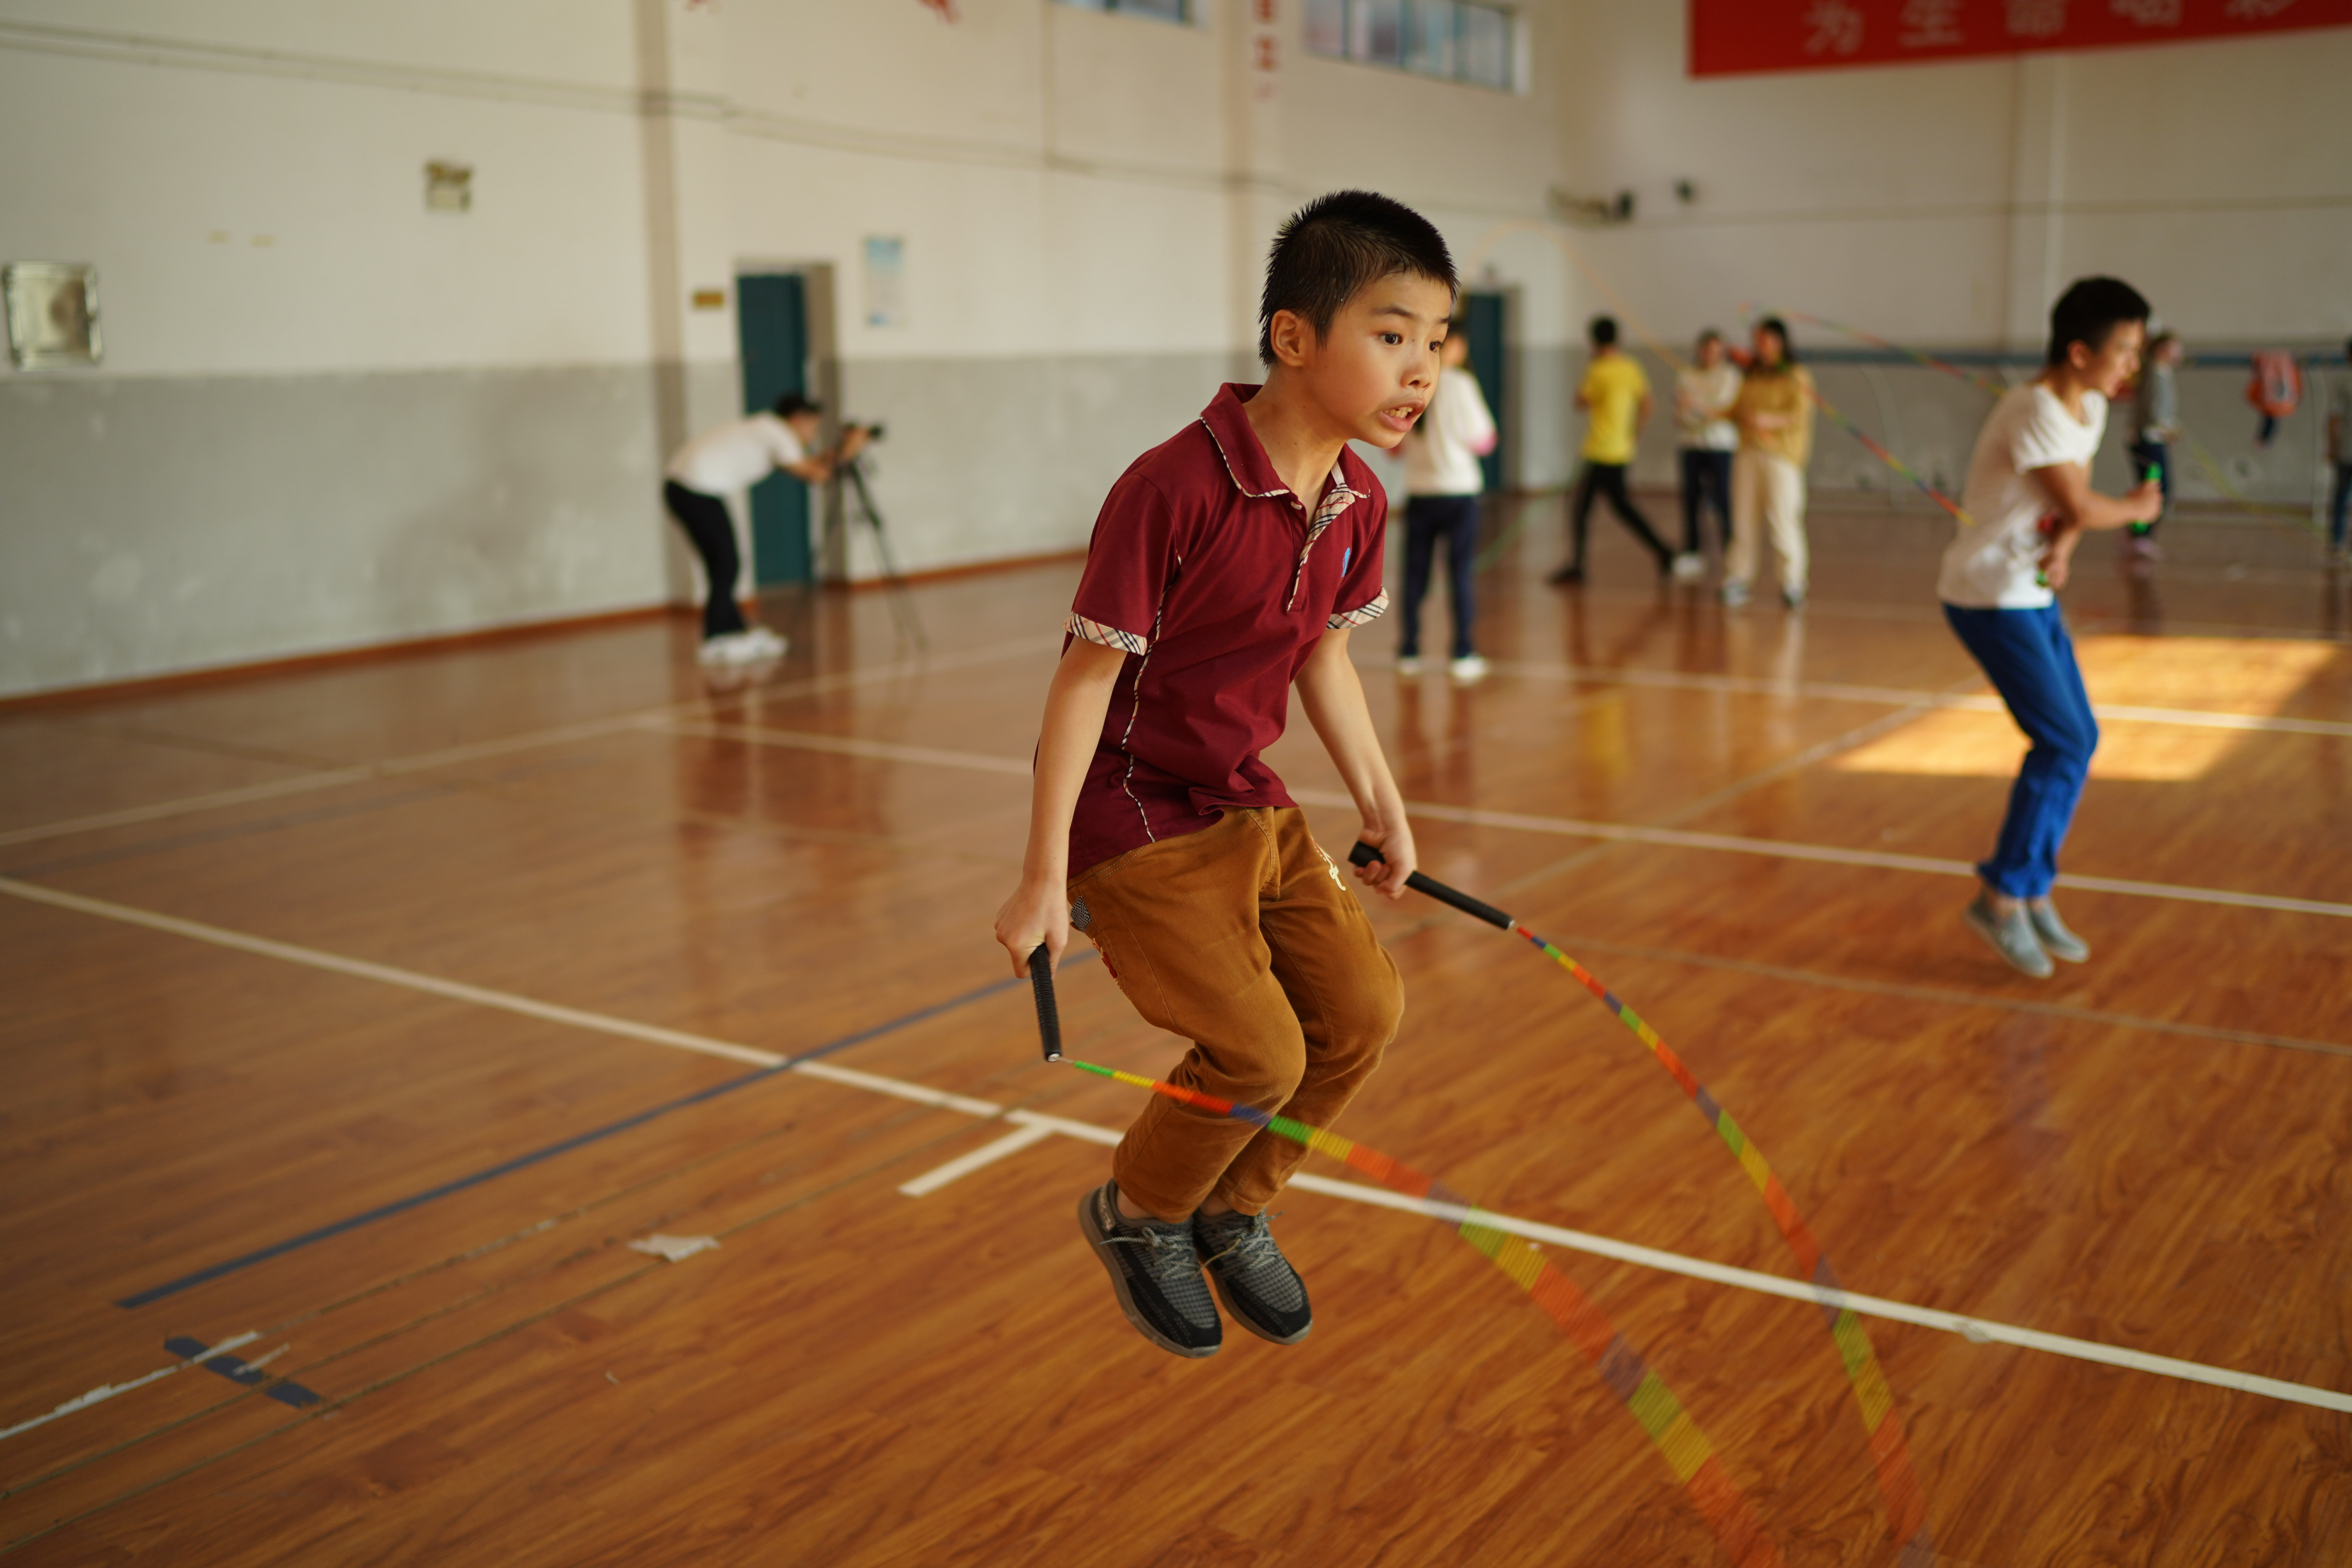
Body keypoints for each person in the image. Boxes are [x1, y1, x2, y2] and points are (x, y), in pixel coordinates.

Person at [991, 190, 1427, 1359]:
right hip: (1131, 813)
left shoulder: (1359, 501)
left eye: (1436, 343)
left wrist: (1385, 809)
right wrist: (1042, 878)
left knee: (1362, 1012)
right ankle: (1139, 1213)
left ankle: (1234, 1207)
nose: (1420, 368)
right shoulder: (1171, 486)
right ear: (1293, 338)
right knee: (1259, 1052)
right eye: (1391, 335)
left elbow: (1323, 657)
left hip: (1247, 801)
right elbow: (1081, 683)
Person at [1938, 277, 2163, 979]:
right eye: (2124, 351)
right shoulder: (2032, 407)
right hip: (1986, 596)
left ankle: (2028, 890)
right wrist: (2135, 509)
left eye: (2137, 351)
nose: (2132, 365)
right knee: (2062, 739)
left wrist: (2063, 548)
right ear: (2077, 351)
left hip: (2029, 590)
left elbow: (2064, 510)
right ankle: (2004, 896)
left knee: (2080, 738)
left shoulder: (2089, 407)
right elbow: (2078, 497)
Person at [661, 394, 868, 665]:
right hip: (695, 491)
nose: (813, 433)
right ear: (797, 420)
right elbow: (815, 476)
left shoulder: (767, 428)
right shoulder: (779, 435)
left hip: (688, 488)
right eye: (812, 426)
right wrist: (849, 451)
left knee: (725, 562)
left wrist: (833, 454)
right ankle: (717, 639)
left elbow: (808, 464)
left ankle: (734, 630)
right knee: (726, 562)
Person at [1396, 322, 1497, 681]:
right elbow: (1485, 440)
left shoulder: (1412, 383)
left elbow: (1394, 448)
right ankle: (1462, 652)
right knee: (1459, 574)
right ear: (1453, 344)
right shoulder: (1460, 384)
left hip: (1420, 494)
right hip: (1459, 493)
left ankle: (1409, 650)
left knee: (1415, 577)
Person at [1550, 316, 1675, 585]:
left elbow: (1579, 402)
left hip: (1598, 453)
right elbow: (1647, 405)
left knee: (1584, 508)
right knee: (1616, 507)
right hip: (1621, 451)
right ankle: (1663, 552)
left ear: (1594, 341)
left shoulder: (1598, 370)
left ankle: (1579, 566)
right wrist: (1633, 436)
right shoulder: (1631, 367)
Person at [1721, 316, 1817, 609]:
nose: (1757, 346)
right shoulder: (1751, 377)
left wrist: (1768, 420)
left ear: (1779, 342)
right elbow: (1734, 410)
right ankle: (1738, 577)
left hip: (1781, 457)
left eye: (1763, 339)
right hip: (1748, 453)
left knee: (1783, 520)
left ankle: (1793, 582)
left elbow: (1799, 416)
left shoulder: (1797, 377)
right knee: (1743, 519)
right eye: (1756, 340)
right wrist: (1702, 409)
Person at [1673, 329, 1740, 579]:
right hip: (1691, 445)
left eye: (1716, 350)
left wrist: (1699, 407)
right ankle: (1693, 552)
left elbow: (1724, 409)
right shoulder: (1686, 376)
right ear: (1699, 350)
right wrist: (1696, 410)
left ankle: (1732, 551)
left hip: (1721, 446)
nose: (1711, 354)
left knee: (1723, 499)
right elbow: (1681, 415)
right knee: (1691, 500)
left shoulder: (1730, 376)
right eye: (1707, 349)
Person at [2127, 330, 2181, 561]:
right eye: (2173, 348)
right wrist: (2166, 429)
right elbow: (2153, 413)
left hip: (2156, 440)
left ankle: (2139, 536)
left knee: (2159, 489)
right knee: (2156, 488)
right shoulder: (2152, 374)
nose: (2178, 354)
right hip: (2147, 440)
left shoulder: (2164, 374)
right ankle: (2138, 536)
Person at [2330, 337, 2352, 561]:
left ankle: (2337, 541)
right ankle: (2337, 540)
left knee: (2341, 497)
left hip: (2346, 450)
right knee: (2340, 496)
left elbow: (2335, 419)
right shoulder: (2344, 383)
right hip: (2346, 450)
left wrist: (2332, 447)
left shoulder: (2344, 383)